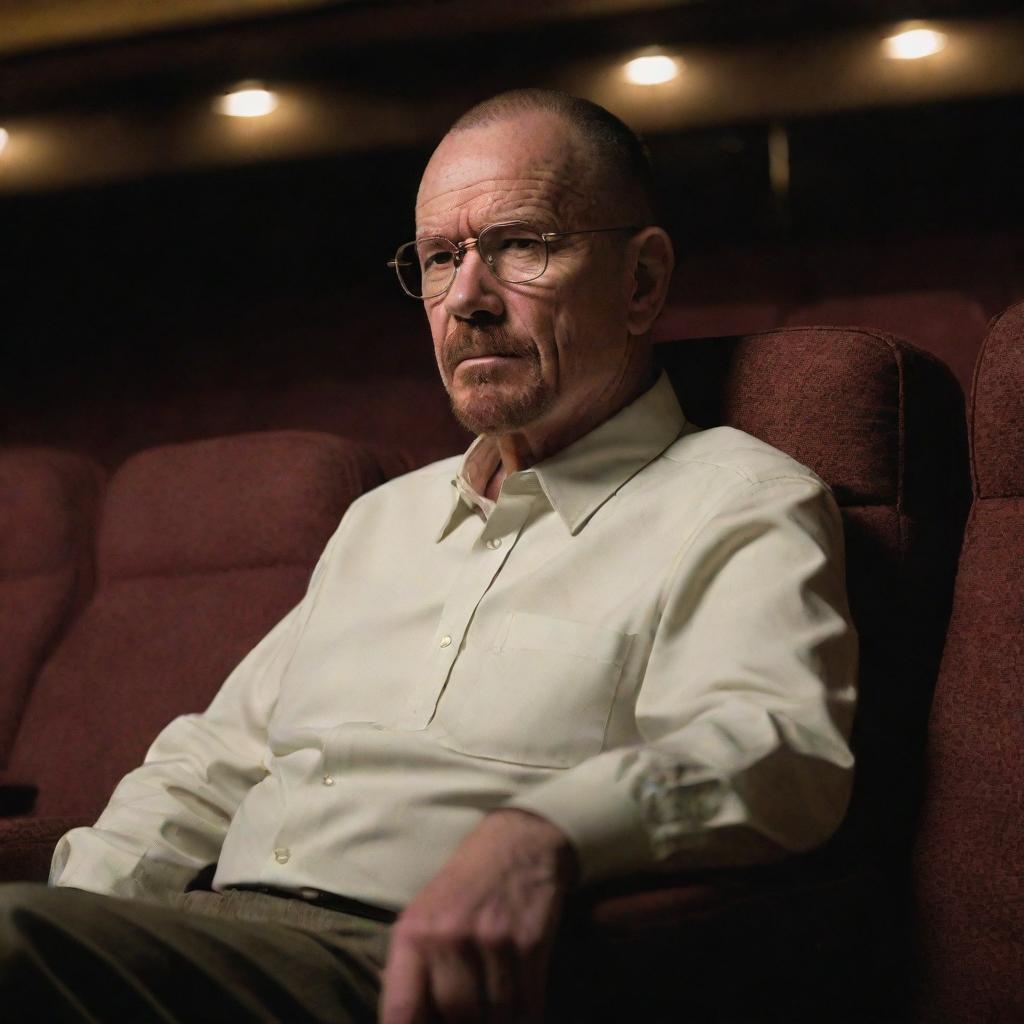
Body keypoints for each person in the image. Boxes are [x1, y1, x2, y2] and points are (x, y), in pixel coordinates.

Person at [0, 89, 857, 1023]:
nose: (466, 299)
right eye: (442, 257)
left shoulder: (737, 500)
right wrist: (79, 915)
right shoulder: (382, 520)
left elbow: (777, 752)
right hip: (210, 943)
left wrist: (542, 836)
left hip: (400, 968)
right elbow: (212, 764)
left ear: (642, 279)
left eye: (522, 243)